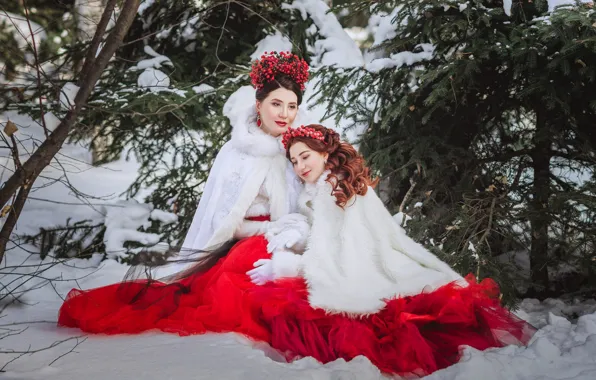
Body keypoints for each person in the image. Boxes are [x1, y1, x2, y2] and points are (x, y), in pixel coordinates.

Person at [242, 124, 537, 377]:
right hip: (365, 262)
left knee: (287, 309)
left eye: (305, 156)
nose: (300, 166)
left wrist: (288, 267)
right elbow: (332, 240)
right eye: (294, 161)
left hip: (360, 272)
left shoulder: (334, 190)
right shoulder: (336, 185)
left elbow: (344, 253)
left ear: (325, 152)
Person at [57, 51, 312, 339]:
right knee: (256, 300)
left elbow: (314, 202)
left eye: (291, 106)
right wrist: (270, 229)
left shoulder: (301, 149)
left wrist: (299, 231)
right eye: (276, 104)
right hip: (248, 243)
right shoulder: (238, 152)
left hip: (295, 243)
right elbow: (225, 220)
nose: (284, 114)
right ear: (258, 104)